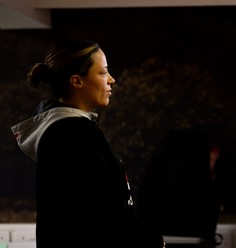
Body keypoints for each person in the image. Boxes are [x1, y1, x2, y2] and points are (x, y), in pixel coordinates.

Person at [11, 40, 165, 248]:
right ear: (77, 82)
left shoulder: (67, 130)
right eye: (102, 73)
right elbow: (104, 207)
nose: (112, 80)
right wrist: (152, 241)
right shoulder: (73, 133)